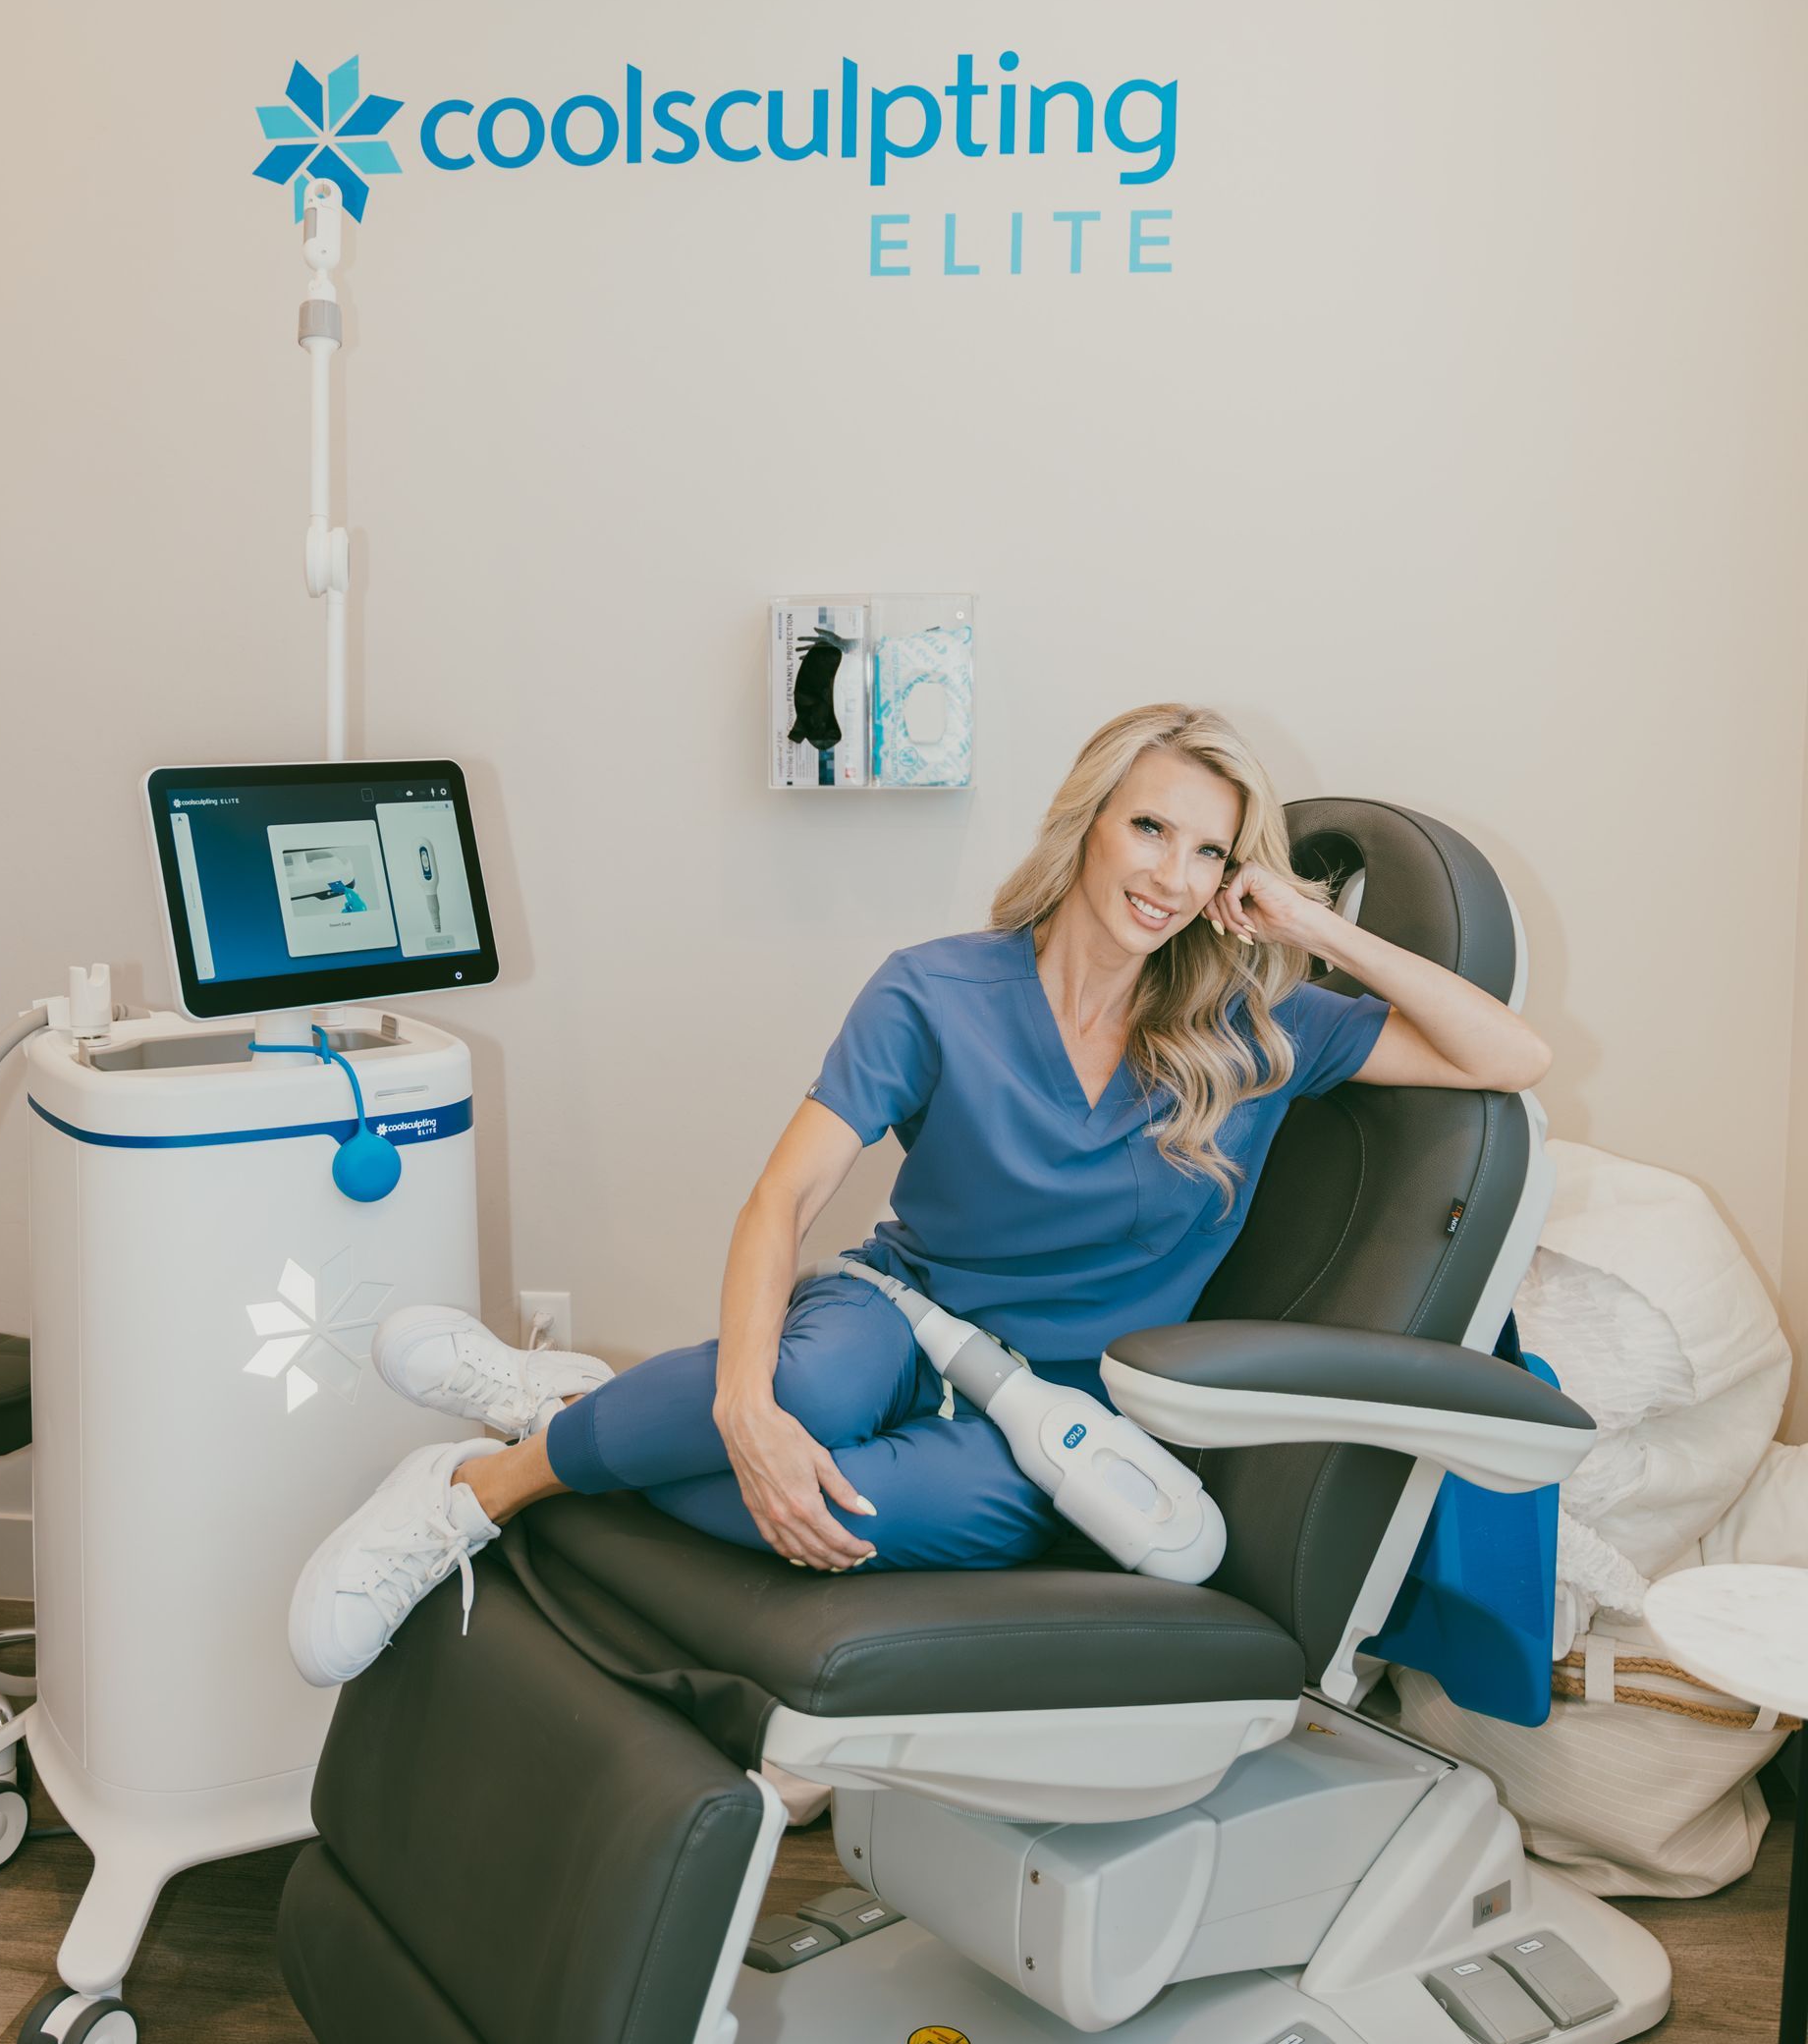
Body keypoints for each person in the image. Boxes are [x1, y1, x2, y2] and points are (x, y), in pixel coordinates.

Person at [289, 702, 1549, 1688]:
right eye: (1151, 829)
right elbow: (782, 1200)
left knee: (841, 1514)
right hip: (901, 1315)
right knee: (797, 1400)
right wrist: (742, 1404)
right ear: (1088, 824)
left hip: (1059, 1412)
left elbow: (1511, 1057)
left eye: (1210, 851)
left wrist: (1316, 934)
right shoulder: (936, 990)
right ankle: (479, 1490)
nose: (1173, 876)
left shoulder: (1254, 1029)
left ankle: (582, 1412)